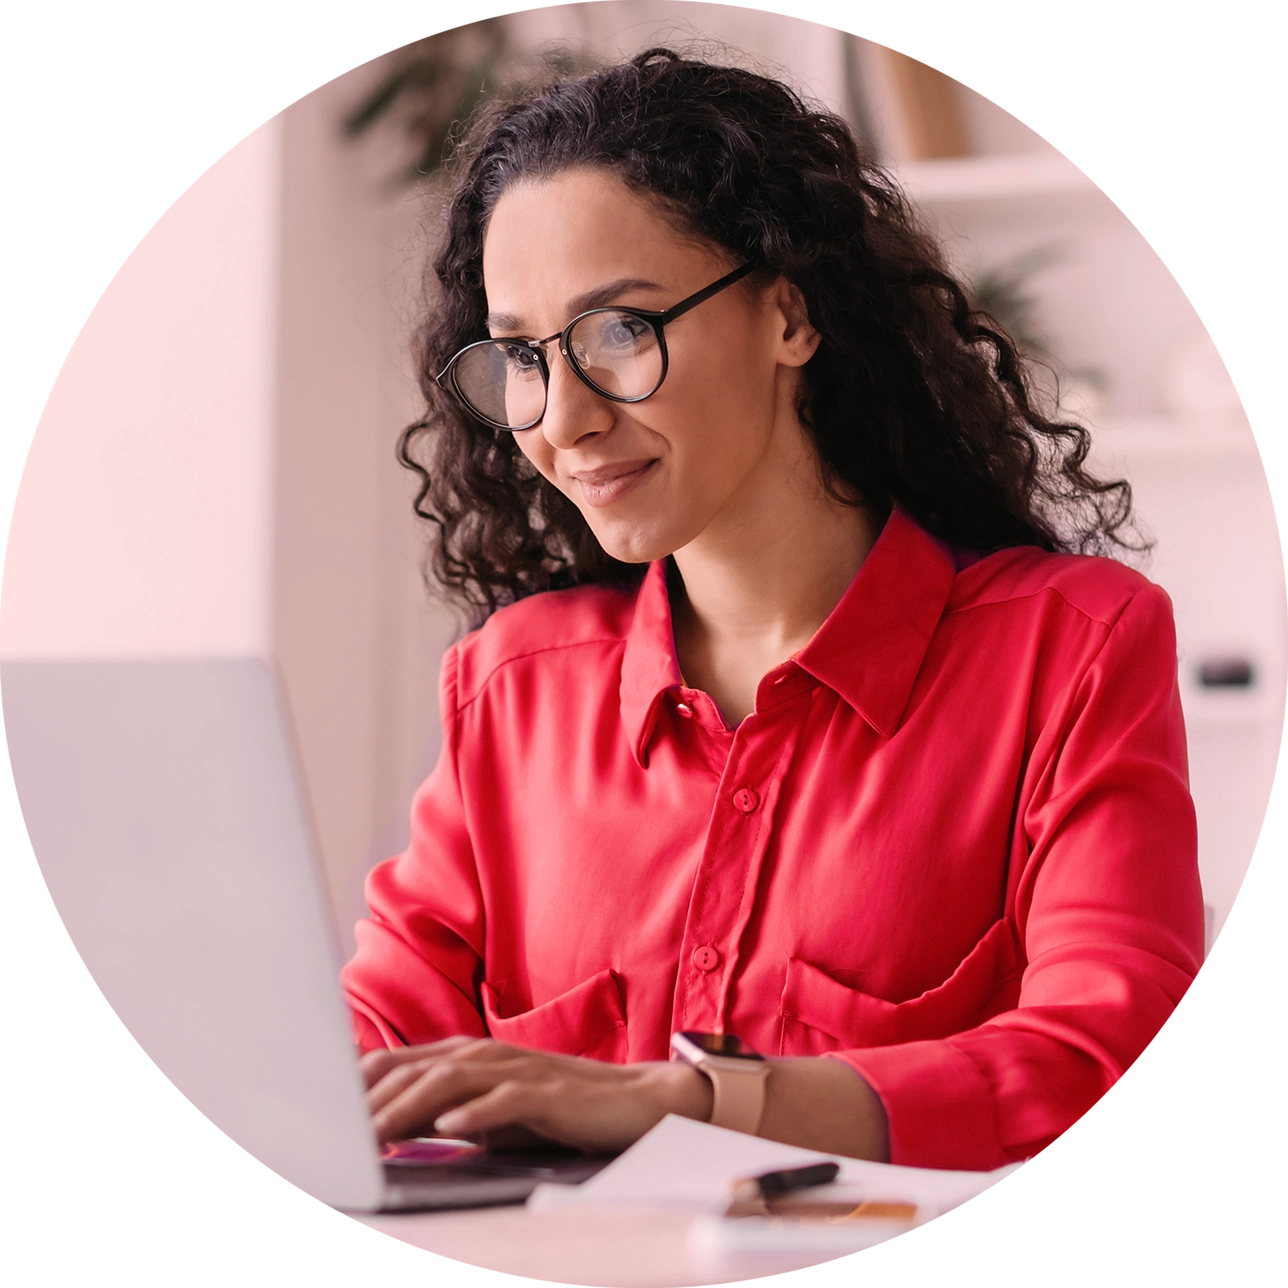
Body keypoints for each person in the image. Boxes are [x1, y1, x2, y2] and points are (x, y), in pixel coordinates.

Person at [339, 48, 1203, 1170]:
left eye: (619, 332)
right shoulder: (513, 687)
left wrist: (685, 1101)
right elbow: (371, 1055)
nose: (563, 419)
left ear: (789, 315)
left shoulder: (1070, 649)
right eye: (521, 355)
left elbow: (1107, 1056)